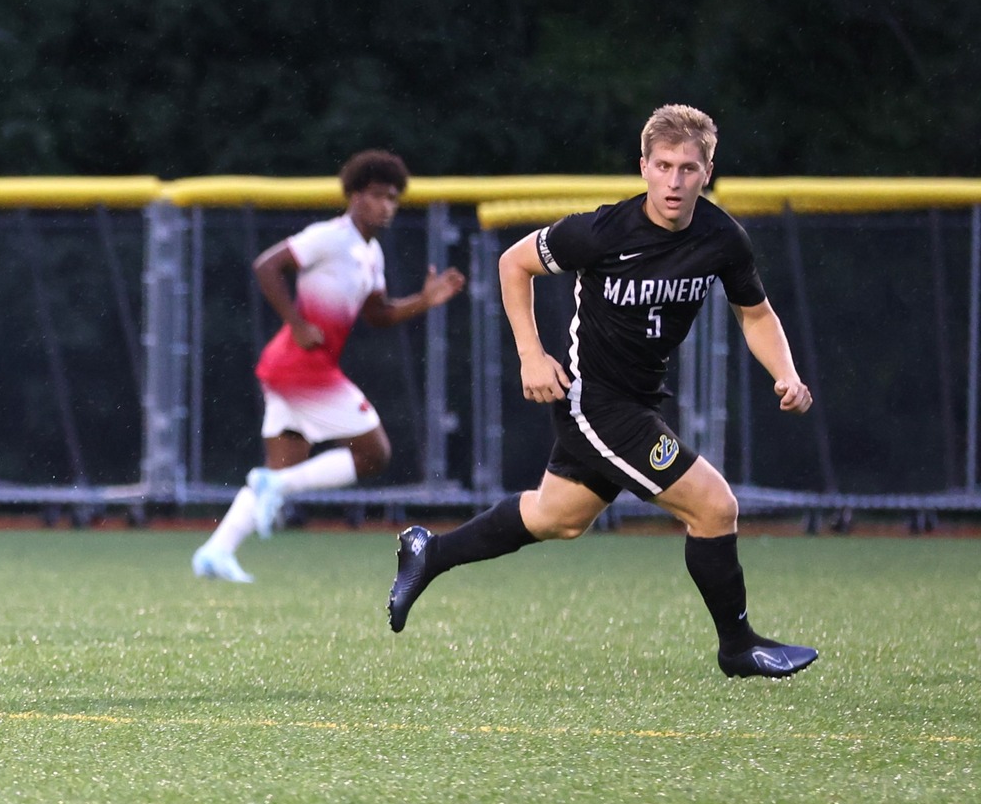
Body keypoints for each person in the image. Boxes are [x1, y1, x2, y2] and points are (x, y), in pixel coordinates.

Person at [387, 104, 818, 679]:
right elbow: (513, 264)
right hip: (595, 401)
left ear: (707, 172)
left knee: (559, 517)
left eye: (688, 168)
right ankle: (738, 646)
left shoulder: (721, 238)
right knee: (715, 507)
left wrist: (784, 373)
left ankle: (429, 551)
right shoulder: (601, 231)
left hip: (638, 398)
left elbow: (755, 313)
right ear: (642, 166)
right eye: (663, 165)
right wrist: (531, 355)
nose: (674, 180)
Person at [191, 150, 465, 583]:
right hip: (302, 364)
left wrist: (423, 301)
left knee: (281, 472)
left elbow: (377, 314)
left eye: (393, 198)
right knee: (375, 453)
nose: (386, 205)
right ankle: (270, 491)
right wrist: (297, 323)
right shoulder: (330, 236)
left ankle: (215, 552)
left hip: (291, 367)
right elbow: (267, 266)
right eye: (377, 195)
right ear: (355, 195)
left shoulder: (371, 253)